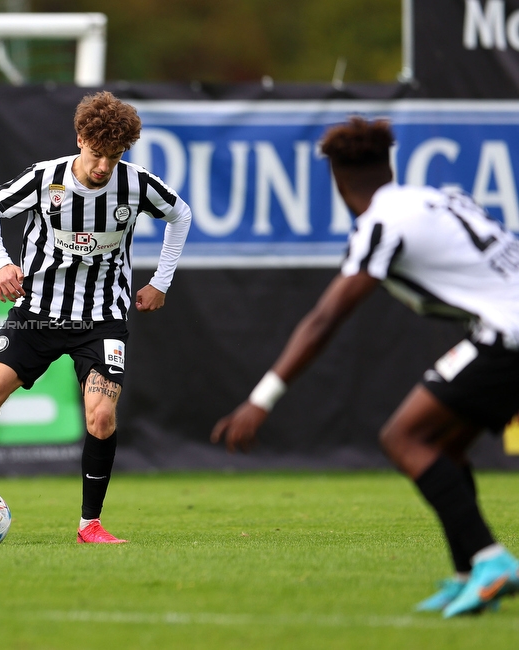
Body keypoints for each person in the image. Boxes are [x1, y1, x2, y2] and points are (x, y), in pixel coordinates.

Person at [211, 117, 519, 617]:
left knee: (402, 438)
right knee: (444, 445)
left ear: (336, 178)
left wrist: (260, 399)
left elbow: (325, 318)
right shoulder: (434, 198)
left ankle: (490, 559)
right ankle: (470, 575)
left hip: (507, 333)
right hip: (506, 326)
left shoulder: (381, 222)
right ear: (389, 164)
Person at [0, 91, 192, 543]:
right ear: (80, 139)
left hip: (102, 320)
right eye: (97, 155)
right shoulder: (46, 179)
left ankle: (89, 524)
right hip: (38, 312)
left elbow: (181, 214)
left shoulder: (135, 185)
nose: (103, 167)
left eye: (113, 158)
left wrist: (161, 282)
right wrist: (1, 263)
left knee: (101, 417)